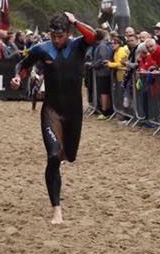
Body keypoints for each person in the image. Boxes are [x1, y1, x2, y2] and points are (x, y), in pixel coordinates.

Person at [10, 12, 96, 225]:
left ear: (68, 33)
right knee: (53, 155)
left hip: (73, 113)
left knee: (70, 156)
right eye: (53, 36)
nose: (56, 40)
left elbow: (94, 36)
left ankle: (63, 161)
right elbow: (22, 65)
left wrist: (75, 21)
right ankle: (56, 210)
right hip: (52, 111)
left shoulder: (78, 45)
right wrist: (17, 77)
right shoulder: (42, 49)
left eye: (60, 36)